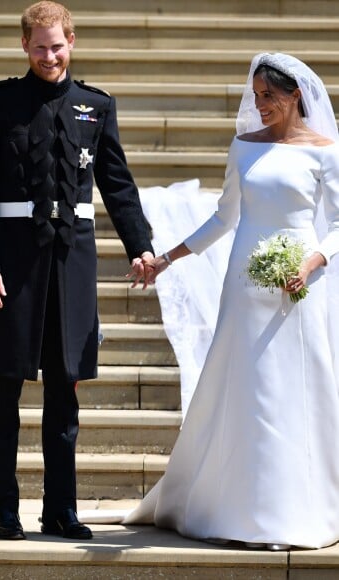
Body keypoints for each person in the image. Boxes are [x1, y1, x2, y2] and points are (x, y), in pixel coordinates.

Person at [81, 52, 339, 550]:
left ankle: (299, 509)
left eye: (269, 97)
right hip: (245, 281)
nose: (258, 104)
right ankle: (244, 509)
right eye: (256, 95)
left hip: (299, 284)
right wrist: (165, 259)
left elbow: (338, 225)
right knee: (251, 388)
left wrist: (311, 262)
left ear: (295, 96)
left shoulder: (325, 151)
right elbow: (224, 218)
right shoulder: (243, 146)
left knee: (296, 388)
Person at [0, 1, 155, 541]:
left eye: (58, 45)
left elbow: (117, 184)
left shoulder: (96, 106)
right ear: (25, 46)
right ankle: (4, 512)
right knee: (7, 401)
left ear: (72, 41)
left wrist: (140, 246)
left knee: (64, 399)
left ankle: (60, 510)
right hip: (12, 270)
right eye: (40, 47)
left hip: (72, 267)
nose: (50, 55)